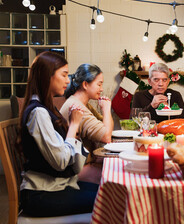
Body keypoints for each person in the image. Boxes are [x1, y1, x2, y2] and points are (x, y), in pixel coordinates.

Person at [18, 51, 98, 217]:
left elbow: (76, 166)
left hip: (59, 185)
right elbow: (61, 162)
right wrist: (74, 125)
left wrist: (72, 136)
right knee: (109, 198)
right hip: (41, 193)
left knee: (110, 190)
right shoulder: (38, 113)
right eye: (64, 75)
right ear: (48, 76)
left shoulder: (49, 109)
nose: (68, 81)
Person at [60, 64, 114, 184]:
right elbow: (106, 136)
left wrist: (106, 112)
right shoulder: (77, 107)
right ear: (85, 84)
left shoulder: (82, 103)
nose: (101, 89)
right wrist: (106, 109)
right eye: (99, 84)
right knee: (116, 176)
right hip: (72, 171)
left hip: (80, 162)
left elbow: (106, 126)